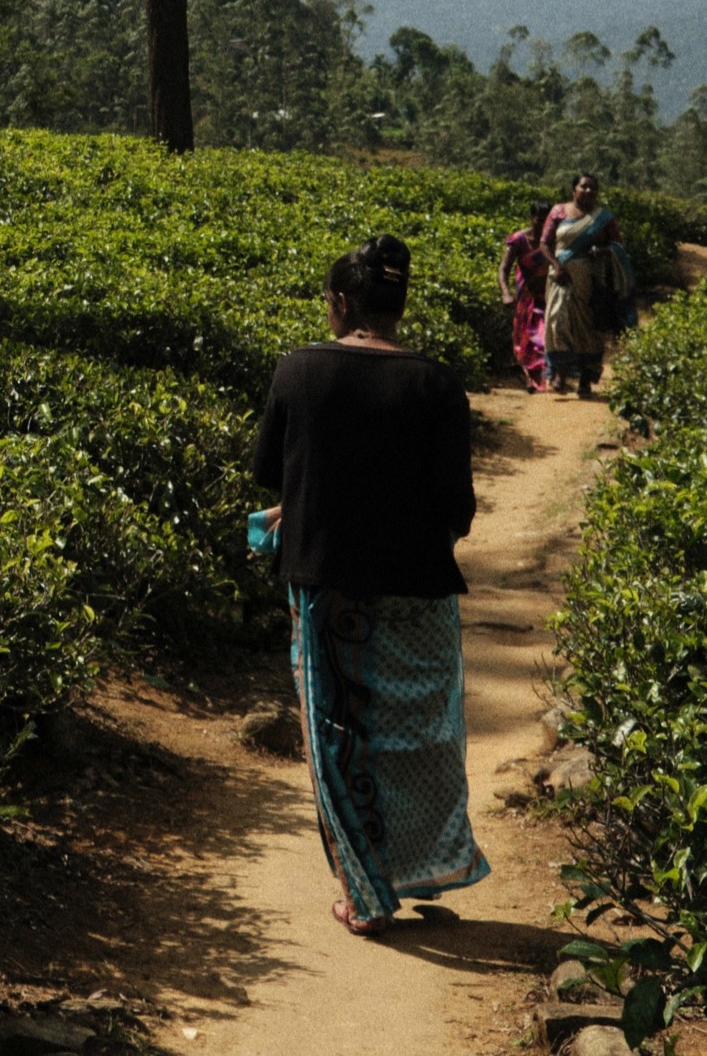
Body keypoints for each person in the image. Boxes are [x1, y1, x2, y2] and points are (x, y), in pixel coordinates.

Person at [250, 235, 488, 939]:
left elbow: (274, 475)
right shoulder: (437, 382)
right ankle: (419, 863)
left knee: (337, 732)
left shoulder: (298, 371)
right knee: (419, 733)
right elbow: (458, 510)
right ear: (398, 306)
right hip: (417, 587)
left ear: (341, 303)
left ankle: (363, 892)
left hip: (329, 588)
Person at [538, 175, 632, 399]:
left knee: (586, 327)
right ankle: (559, 375)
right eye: (584, 186)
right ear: (574, 189)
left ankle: (584, 380)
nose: (588, 191)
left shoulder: (604, 218)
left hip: (590, 278)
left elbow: (618, 246)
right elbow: (544, 242)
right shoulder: (558, 211)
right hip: (560, 275)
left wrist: (602, 251)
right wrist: (555, 265)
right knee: (556, 320)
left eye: (593, 188)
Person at [495, 215, 553, 393]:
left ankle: (542, 379)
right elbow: (503, 269)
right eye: (540, 220)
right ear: (532, 218)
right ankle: (529, 378)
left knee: (542, 337)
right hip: (525, 296)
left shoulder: (553, 240)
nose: (543, 225)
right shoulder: (519, 240)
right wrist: (506, 292)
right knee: (524, 340)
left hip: (546, 295)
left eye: (547, 221)